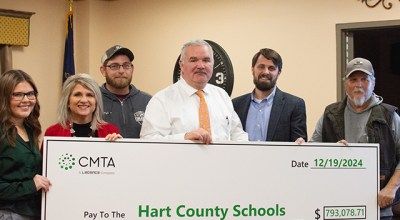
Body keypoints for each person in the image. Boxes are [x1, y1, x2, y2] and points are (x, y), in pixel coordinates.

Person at [309, 57, 400, 219]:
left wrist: (391, 188)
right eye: (353, 79)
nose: (359, 85)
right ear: (345, 84)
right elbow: (312, 152)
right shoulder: (329, 115)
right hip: (336, 205)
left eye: (364, 79)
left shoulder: (390, 117)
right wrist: (329, 151)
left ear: (373, 83)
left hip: (379, 208)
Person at [140, 39, 248, 143]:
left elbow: (238, 135)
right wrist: (184, 137)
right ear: (182, 65)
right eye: (193, 60)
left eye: (206, 60)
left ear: (212, 64)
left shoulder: (222, 96)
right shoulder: (161, 100)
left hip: (222, 161)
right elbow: (148, 140)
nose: (201, 66)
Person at [0, 69, 51, 220]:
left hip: (32, 212)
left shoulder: (30, 128)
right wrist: (30, 185)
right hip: (8, 213)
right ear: (4, 98)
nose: (26, 99)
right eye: (17, 94)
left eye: (30, 94)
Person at [232, 48, 307, 142]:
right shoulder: (235, 105)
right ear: (252, 70)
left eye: (271, 68)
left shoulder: (294, 105)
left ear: (279, 72)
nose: (266, 72)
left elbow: (299, 147)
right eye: (261, 67)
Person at [45, 73, 121, 140]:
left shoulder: (110, 131)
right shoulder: (52, 132)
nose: (84, 100)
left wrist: (119, 146)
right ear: (67, 101)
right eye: (77, 95)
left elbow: (119, 156)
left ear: (96, 101)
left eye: (90, 95)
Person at [99, 45, 152, 138]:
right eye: (114, 66)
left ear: (132, 69)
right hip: (104, 153)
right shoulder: (93, 100)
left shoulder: (148, 101)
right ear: (103, 70)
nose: (121, 71)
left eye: (126, 66)